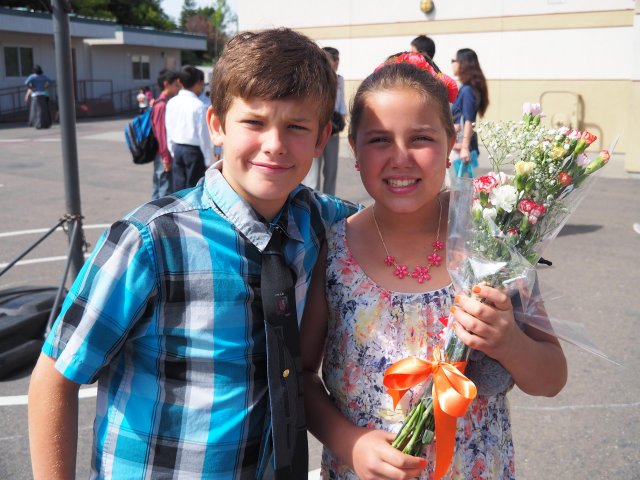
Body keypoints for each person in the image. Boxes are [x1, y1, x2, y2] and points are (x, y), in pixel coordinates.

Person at [28, 27, 357, 479]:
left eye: (297, 127)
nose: (275, 144)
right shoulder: (150, 240)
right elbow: (55, 375)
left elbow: (403, 223)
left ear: (322, 138)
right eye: (254, 122)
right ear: (217, 126)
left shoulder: (326, 222)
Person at [301, 53, 567, 479]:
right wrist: (350, 443)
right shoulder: (333, 249)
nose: (400, 158)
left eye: (421, 138)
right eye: (379, 140)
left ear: (451, 143)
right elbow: (300, 376)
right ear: (354, 149)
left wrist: (508, 342)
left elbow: (551, 378)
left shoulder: (492, 240)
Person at [303, 47, 347, 195]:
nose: (336, 62)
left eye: (337, 59)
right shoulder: (313, 79)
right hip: (316, 130)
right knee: (312, 174)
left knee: (331, 170)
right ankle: (311, 201)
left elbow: (341, 103)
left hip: (333, 130)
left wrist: (341, 118)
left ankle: (329, 202)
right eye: (333, 59)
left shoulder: (339, 80)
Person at [165, 65, 213, 191]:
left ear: (179, 82)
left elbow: (169, 128)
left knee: (178, 190)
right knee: (194, 190)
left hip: (177, 148)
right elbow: (203, 135)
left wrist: (172, 150)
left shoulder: (172, 102)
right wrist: (207, 160)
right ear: (198, 83)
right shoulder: (198, 105)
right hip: (194, 152)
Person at [450, 48, 489, 178]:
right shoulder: (467, 88)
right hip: (459, 146)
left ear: (463, 63)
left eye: (453, 60)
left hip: (460, 148)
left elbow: (468, 120)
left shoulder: (467, 90)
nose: (452, 64)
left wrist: (465, 148)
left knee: (458, 186)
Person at [150, 69, 180, 200]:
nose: (178, 88)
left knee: (159, 187)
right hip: (163, 154)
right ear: (166, 84)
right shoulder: (162, 105)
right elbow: (161, 135)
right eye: (176, 85)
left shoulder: (162, 102)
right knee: (163, 190)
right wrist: (166, 158)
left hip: (161, 153)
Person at [24, 65, 53, 129]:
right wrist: (46, 86)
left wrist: (32, 88)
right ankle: (45, 124)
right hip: (43, 94)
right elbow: (50, 81)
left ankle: (37, 124)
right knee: (43, 110)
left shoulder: (32, 76)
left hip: (35, 95)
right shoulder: (43, 76)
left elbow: (26, 83)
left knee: (36, 110)